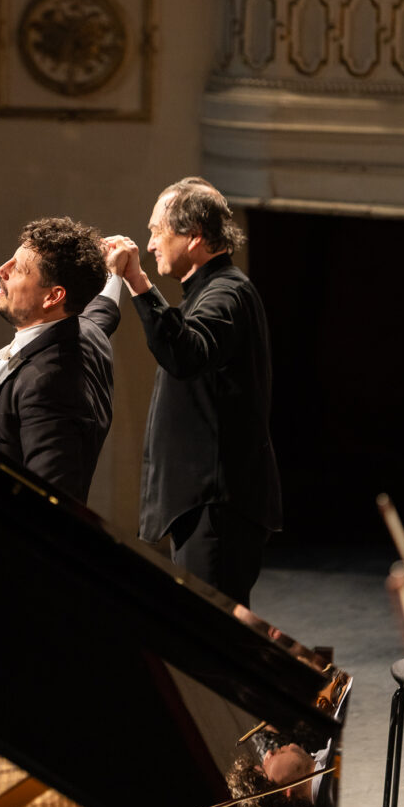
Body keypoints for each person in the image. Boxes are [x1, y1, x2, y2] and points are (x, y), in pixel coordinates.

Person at [105, 177, 281, 606]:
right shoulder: (210, 292)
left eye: (157, 231)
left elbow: (186, 354)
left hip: (216, 508)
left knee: (215, 629)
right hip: (207, 506)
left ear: (195, 235)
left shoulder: (227, 293)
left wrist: (137, 281)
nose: (150, 244)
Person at [0, 217, 120, 505]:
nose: (1, 270)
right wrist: (115, 272)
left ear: (53, 296)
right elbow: (102, 313)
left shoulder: (49, 384)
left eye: (17, 269)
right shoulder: (88, 333)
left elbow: (52, 497)